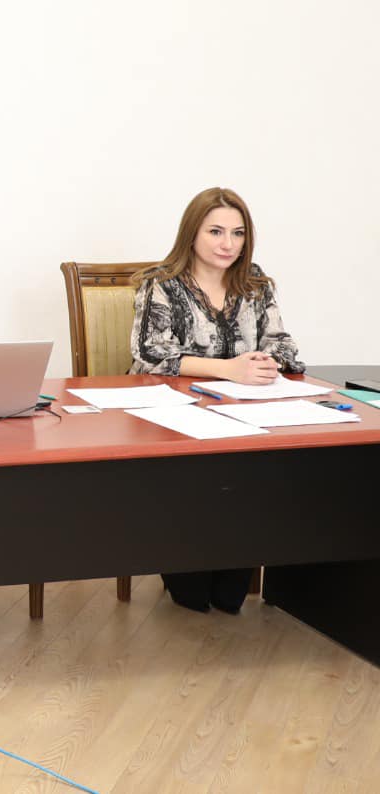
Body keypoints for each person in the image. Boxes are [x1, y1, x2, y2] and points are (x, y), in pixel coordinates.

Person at [129, 186, 303, 615]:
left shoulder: (255, 284)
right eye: (216, 231)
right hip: (174, 420)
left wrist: (265, 361)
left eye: (237, 233)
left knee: (229, 598)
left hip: (244, 416)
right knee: (193, 596)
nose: (228, 244)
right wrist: (228, 369)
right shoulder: (161, 285)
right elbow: (151, 354)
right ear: (192, 233)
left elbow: (283, 345)